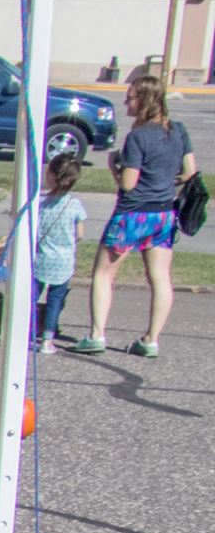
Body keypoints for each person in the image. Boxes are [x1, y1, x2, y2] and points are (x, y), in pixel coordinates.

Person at [72, 69, 194, 358]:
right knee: (160, 277)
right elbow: (189, 172)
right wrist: (165, 183)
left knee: (103, 273)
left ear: (145, 101)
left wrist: (115, 165)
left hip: (131, 215)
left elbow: (128, 183)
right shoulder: (179, 130)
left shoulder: (138, 137)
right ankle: (151, 339)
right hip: (163, 215)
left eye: (130, 99)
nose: (126, 105)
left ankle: (97, 334)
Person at [30, 153, 86, 354]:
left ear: (51, 175)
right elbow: (79, 234)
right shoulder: (75, 206)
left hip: (41, 259)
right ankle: (47, 340)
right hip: (63, 262)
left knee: (31, 297)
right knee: (55, 301)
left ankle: (25, 331)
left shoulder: (41, 204)